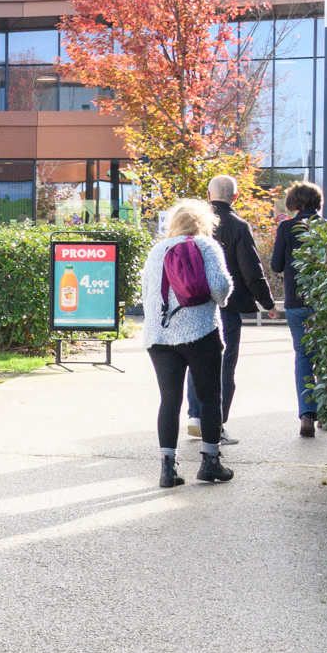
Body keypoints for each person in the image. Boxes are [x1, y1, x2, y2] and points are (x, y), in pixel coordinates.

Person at [140, 199, 235, 488]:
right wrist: (222, 300)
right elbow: (220, 288)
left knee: (169, 400)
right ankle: (210, 462)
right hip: (199, 332)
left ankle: (167, 470)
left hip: (159, 336)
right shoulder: (208, 246)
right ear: (205, 222)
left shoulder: (157, 250)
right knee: (208, 398)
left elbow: (146, 291)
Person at [185, 175, 275, 444]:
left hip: (195, 302)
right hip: (228, 305)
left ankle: (195, 415)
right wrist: (267, 303)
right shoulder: (238, 226)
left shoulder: (194, 224)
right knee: (224, 365)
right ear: (235, 197)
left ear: (208, 194)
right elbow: (251, 270)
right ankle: (217, 425)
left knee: (196, 359)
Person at [269, 181, 324, 437]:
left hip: (296, 303)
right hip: (324, 303)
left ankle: (307, 414)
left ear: (294, 203)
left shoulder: (287, 227)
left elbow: (276, 265)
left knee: (303, 356)